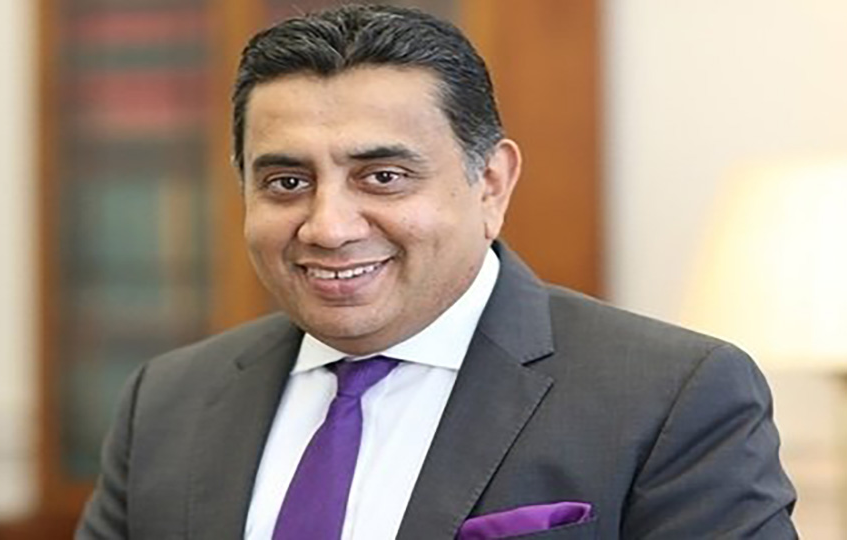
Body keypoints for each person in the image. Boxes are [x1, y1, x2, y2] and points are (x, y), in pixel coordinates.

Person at [77, 4, 797, 539]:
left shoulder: (671, 399)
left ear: (491, 184)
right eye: (287, 183)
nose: (328, 226)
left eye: (383, 177)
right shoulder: (166, 402)